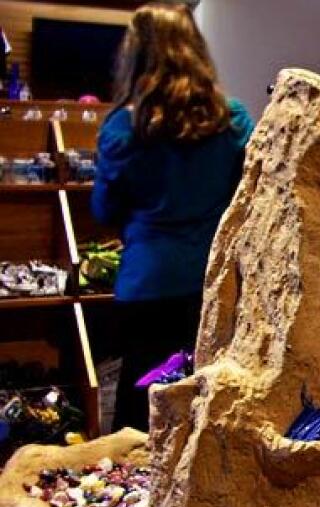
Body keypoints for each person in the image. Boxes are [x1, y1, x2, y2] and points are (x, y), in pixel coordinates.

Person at [93, 3, 254, 432]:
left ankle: (134, 496)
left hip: (146, 284)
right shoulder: (234, 119)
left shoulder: (121, 129)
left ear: (134, 56)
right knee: (205, 404)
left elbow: (104, 210)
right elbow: (250, 197)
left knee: (141, 408)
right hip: (213, 282)